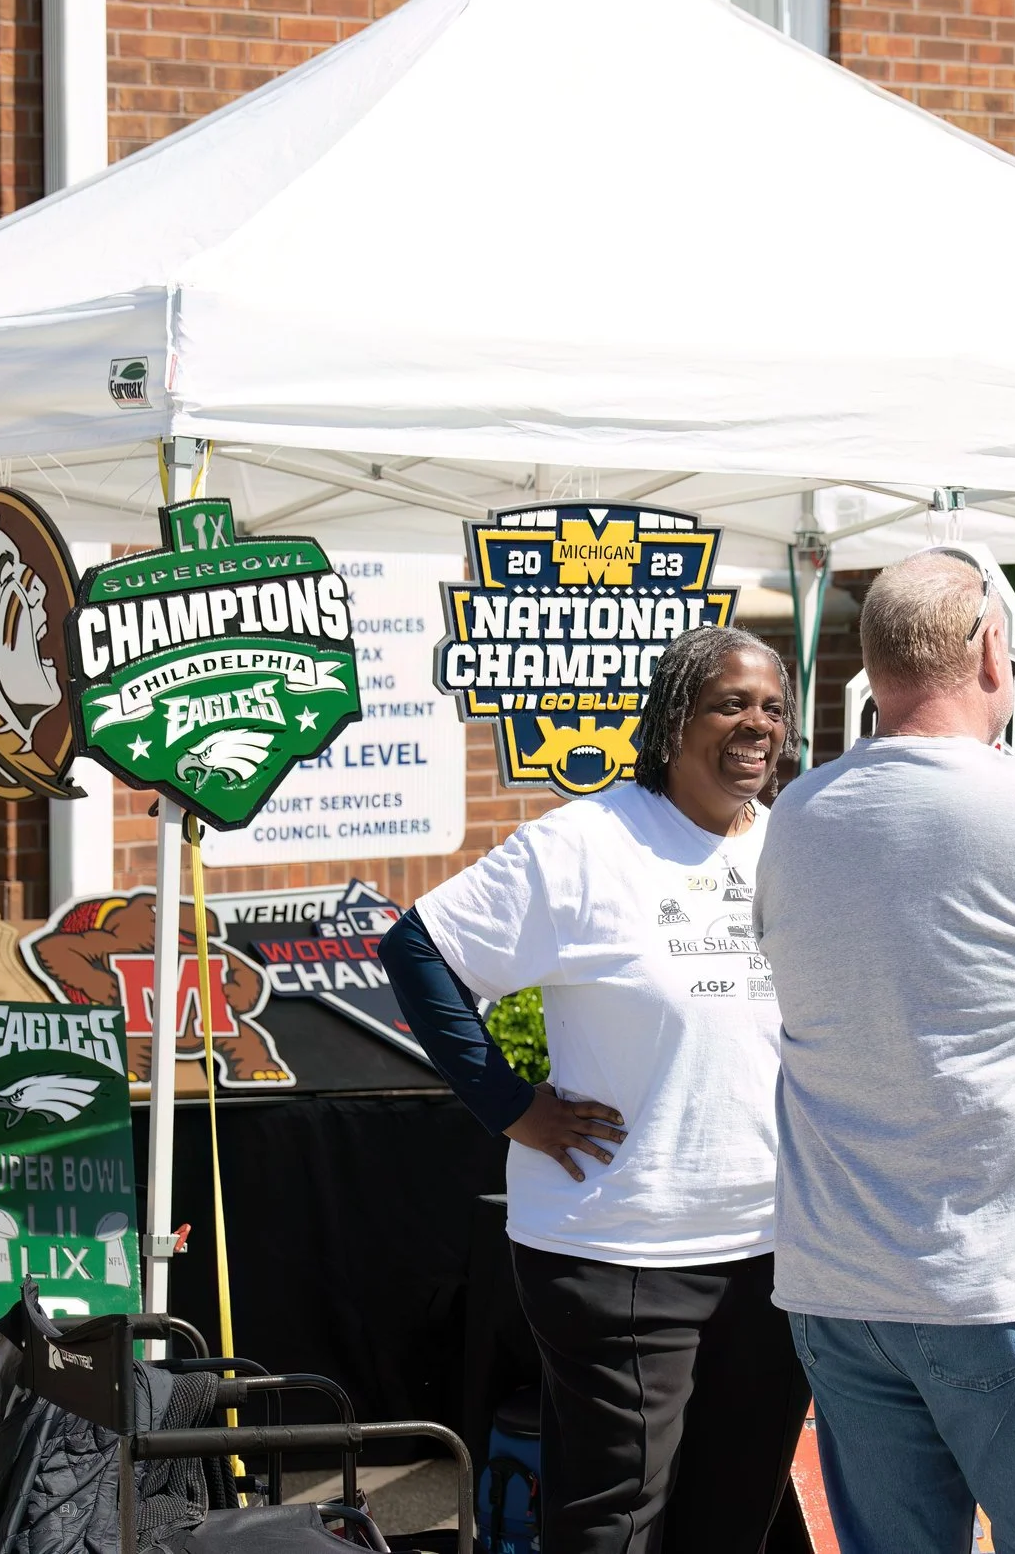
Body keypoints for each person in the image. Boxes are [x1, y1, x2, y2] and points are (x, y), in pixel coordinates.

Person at [754, 550, 1015, 1554]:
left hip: (841, 1284)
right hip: (1010, 1277)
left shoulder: (799, 813)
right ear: (995, 648)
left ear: (874, 665)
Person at [380, 627, 807, 1554]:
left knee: (733, 1518)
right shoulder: (587, 841)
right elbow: (419, 950)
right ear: (670, 723)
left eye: (773, 707)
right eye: (731, 703)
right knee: (614, 1523)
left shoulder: (790, 847)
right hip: (619, 1246)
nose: (757, 725)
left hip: (776, 1255)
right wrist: (510, 1105)